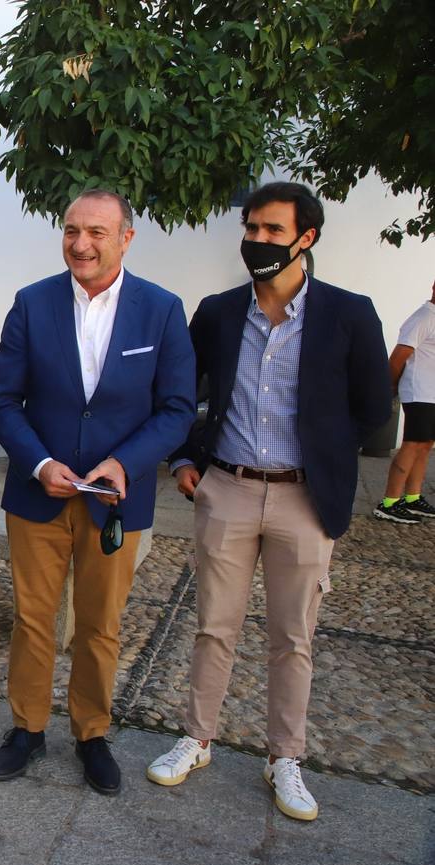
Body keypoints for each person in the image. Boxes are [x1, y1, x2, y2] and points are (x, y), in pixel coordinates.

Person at [147, 182, 390, 821]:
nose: (257, 241)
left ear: (305, 238)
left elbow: (372, 407)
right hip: (226, 489)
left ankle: (286, 757)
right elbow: (183, 393)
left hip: (303, 499)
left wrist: (330, 462)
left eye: (272, 231)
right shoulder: (221, 312)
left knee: (293, 636)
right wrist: (184, 459)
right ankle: (197, 738)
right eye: (251, 228)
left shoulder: (348, 313)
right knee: (213, 627)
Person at [0, 189, 195, 795]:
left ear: (126, 238)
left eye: (97, 232)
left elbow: (178, 408)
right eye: (71, 230)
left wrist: (124, 463)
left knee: (101, 623)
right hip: (39, 496)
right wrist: (40, 461)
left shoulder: (160, 310)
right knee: (33, 619)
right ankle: (26, 728)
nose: (81, 243)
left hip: (114, 502)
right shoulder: (32, 303)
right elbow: (3, 401)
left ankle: (91, 733)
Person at [373, 278, 435, 523]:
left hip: (431, 395)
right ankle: (388, 502)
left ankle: (413, 498)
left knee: (425, 445)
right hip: (418, 393)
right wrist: (388, 387)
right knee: (412, 444)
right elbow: (398, 357)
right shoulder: (423, 317)